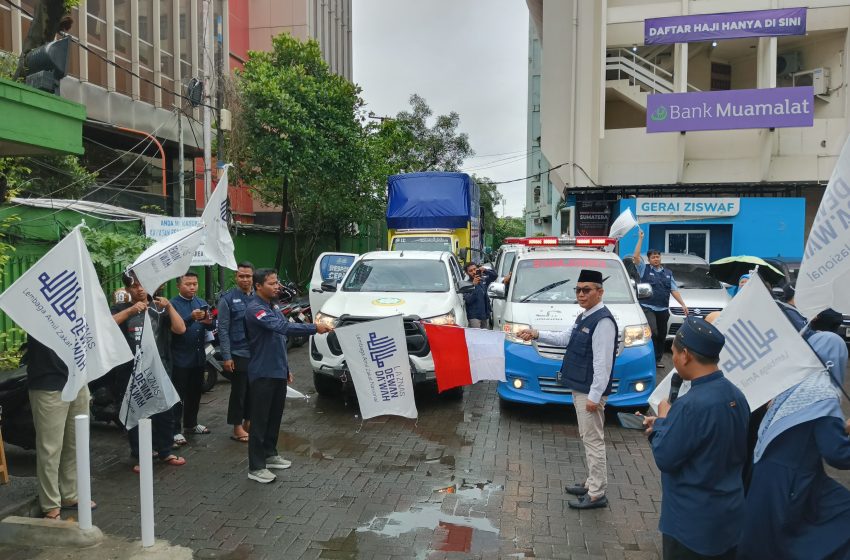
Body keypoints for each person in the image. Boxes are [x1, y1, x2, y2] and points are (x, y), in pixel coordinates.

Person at [643, 317, 750, 559]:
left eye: (674, 352)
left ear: (686, 355)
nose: (674, 359)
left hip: (691, 523)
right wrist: (669, 423)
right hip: (728, 514)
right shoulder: (737, 395)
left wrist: (661, 422)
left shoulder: (691, 404)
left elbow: (666, 457)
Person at [738, 331, 850, 560]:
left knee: (768, 540)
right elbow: (836, 453)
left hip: (768, 476)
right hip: (794, 483)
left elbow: (806, 429)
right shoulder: (823, 396)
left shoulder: (794, 385)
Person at [518, 269, 617, 509]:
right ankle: (591, 482)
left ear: (600, 292)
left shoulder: (603, 321)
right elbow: (565, 339)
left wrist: (594, 396)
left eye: (587, 290)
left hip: (589, 391)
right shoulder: (584, 316)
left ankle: (596, 493)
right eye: (578, 289)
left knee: (593, 440)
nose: (581, 294)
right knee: (587, 437)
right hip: (579, 386)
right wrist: (536, 333)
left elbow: (602, 364)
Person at [244, 268, 333, 483]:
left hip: (276, 371)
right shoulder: (255, 309)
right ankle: (256, 467)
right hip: (262, 373)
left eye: (277, 282)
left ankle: (270, 454)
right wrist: (315, 328)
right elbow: (282, 328)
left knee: (274, 416)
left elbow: (277, 342)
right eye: (272, 283)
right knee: (260, 420)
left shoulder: (272, 306)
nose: (277, 286)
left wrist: (285, 369)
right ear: (258, 286)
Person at [112, 272, 187, 471]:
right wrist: (130, 312)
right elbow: (107, 326)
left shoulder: (159, 308)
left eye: (142, 284)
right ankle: (141, 455)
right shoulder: (121, 308)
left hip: (159, 366)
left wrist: (169, 307)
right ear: (128, 290)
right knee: (138, 410)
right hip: (132, 370)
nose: (139, 289)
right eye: (134, 286)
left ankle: (165, 451)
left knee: (164, 409)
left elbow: (180, 329)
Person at [25, 336, 92, 520]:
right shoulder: (36, 307)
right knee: (50, 447)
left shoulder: (81, 306)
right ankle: (50, 504)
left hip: (78, 378)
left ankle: (70, 495)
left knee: (75, 442)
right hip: (48, 381)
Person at [631, 229, 688, 368]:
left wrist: (683, 305)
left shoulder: (668, 273)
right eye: (653, 257)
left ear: (660, 258)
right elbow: (636, 256)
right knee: (654, 332)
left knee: (662, 335)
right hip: (648, 307)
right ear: (649, 260)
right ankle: (648, 357)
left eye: (658, 256)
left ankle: (657, 359)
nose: (656, 259)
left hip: (663, 308)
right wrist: (640, 239)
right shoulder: (644, 269)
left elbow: (674, 290)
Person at [169, 272, 215, 442]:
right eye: (188, 284)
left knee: (195, 393)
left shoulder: (201, 302)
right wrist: (190, 318)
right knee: (178, 395)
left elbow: (212, 325)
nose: (192, 287)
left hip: (198, 357)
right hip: (180, 357)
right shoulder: (172, 305)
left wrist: (209, 320)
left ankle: (191, 424)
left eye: (195, 284)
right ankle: (174, 429)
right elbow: (174, 329)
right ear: (178, 285)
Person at [218, 261, 255, 442]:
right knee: (239, 392)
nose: (245, 279)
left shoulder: (258, 298)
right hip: (238, 353)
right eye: (241, 276)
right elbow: (223, 329)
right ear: (236, 277)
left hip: (255, 353)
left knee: (253, 390)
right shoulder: (227, 299)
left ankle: (249, 422)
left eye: (248, 276)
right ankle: (237, 427)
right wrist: (227, 356)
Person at [463, 262, 495, 328]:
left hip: (485, 314)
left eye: (475, 269)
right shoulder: (466, 285)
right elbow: (469, 300)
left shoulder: (482, 280)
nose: (474, 272)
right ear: (467, 273)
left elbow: (494, 276)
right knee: (475, 336)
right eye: (470, 271)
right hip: (474, 316)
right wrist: (474, 286)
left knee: (485, 335)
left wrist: (485, 270)